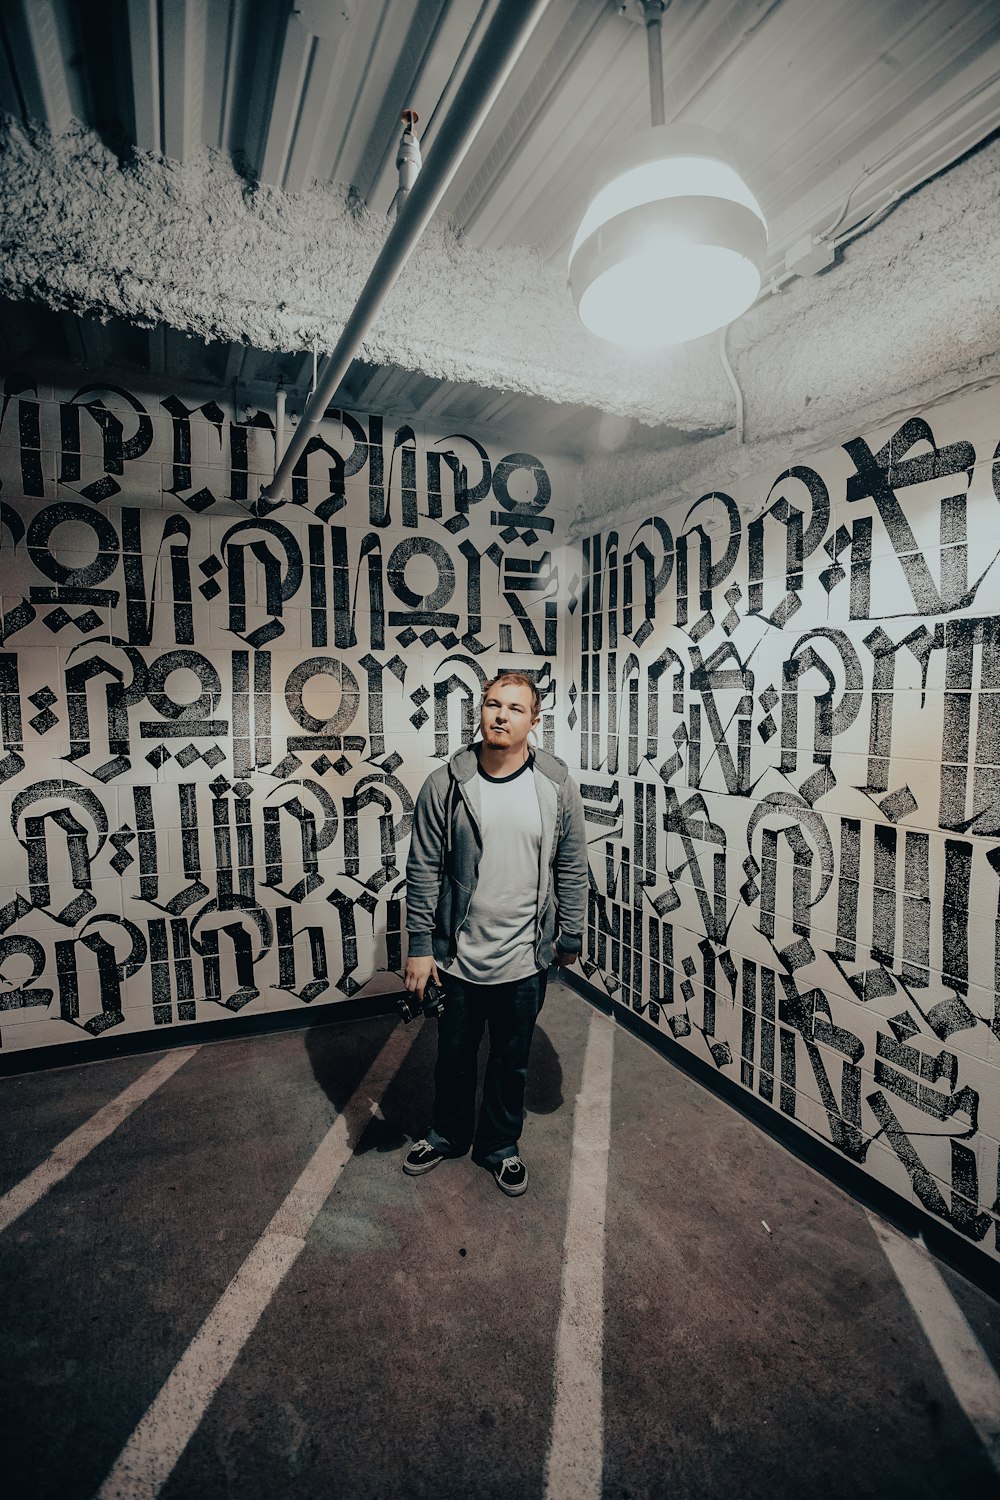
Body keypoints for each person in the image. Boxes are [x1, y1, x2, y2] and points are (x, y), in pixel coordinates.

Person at [401, 670, 588, 1196]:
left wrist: (570, 933)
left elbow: (571, 866)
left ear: (534, 720)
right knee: (453, 1057)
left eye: (513, 708)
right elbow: (422, 870)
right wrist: (419, 948)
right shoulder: (447, 783)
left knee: (511, 1062)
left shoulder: (555, 783)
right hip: (459, 955)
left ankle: (499, 1145)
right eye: (491, 704)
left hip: (525, 956)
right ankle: (447, 1134)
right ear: (481, 711)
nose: (500, 715)